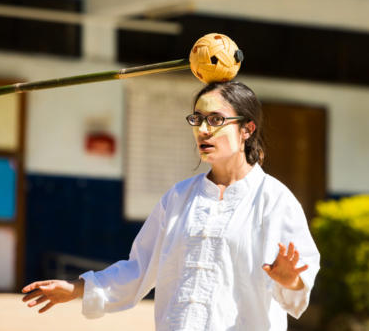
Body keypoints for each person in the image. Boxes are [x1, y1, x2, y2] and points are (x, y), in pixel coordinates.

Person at [22, 81, 320, 330]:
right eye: (197, 119)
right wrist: (76, 289)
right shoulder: (178, 198)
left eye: (216, 120)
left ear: (247, 129)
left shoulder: (275, 200)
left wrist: (291, 280)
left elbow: (300, 283)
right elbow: (139, 268)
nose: (203, 129)